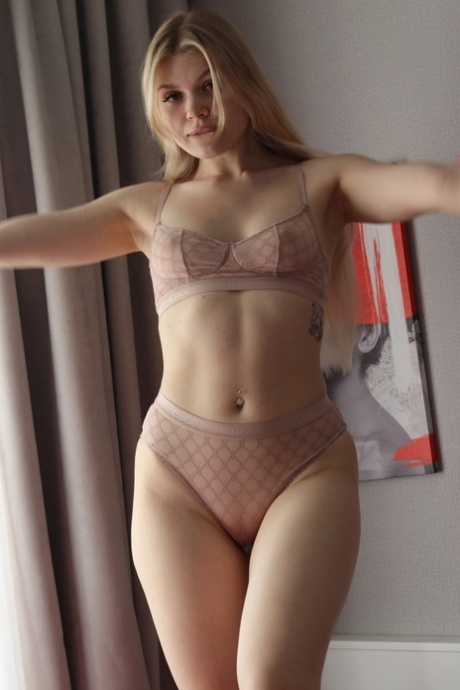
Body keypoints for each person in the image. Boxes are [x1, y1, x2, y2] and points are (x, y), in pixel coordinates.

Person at [1, 8, 459, 690]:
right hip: (178, 471)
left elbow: (433, 186)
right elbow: (31, 236)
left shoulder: (322, 182)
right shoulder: (146, 207)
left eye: (208, 85)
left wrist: (448, 183)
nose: (194, 111)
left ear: (242, 81)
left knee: (271, 676)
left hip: (302, 464)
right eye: (173, 96)